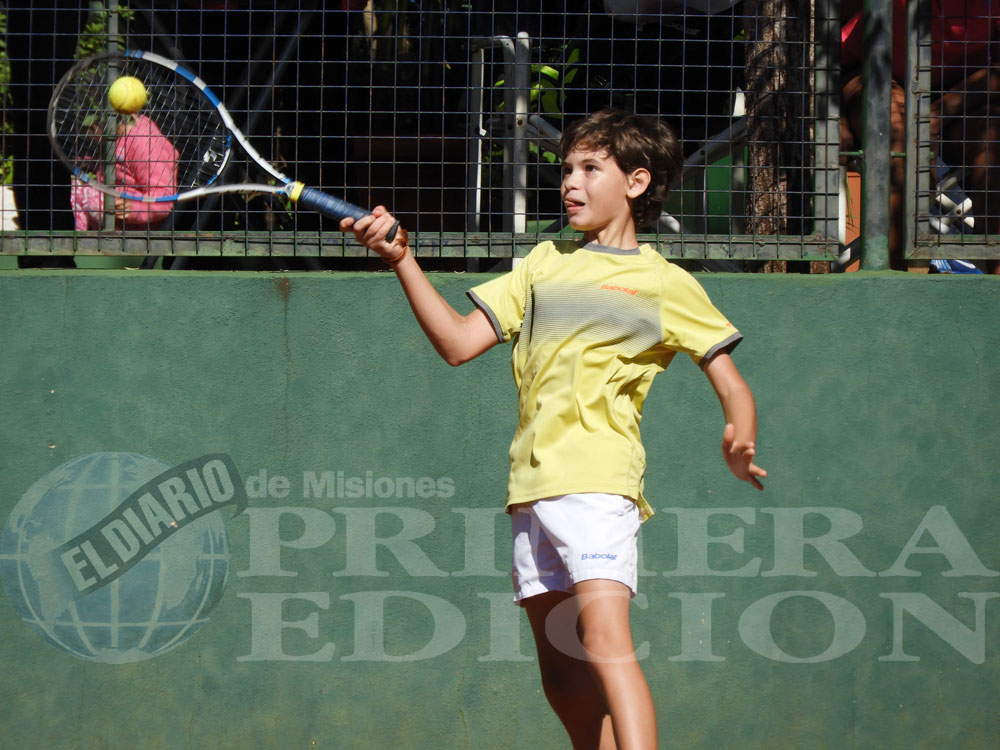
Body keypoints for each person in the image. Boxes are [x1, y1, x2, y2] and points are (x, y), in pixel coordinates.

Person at [342, 109, 766, 749]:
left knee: (605, 642)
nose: (570, 181)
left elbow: (729, 379)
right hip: (531, 488)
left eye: (591, 168)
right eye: (567, 168)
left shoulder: (662, 283)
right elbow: (458, 343)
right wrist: (402, 259)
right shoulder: (542, 264)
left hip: (598, 483)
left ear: (637, 182)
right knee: (561, 671)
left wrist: (740, 432)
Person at [840, 0, 1000, 272]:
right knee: (900, 144)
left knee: (993, 147)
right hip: (876, 73)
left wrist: (933, 117)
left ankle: (993, 282)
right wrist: (835, 115)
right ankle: (893, 281)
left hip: (961, 84)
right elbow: (826, 31)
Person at [70, 113, 178, 231]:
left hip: (134, 220)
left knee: (78, 191)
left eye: (88, 131)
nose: (88, 136)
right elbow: (120, 169)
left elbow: (165, 199)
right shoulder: (117, 137)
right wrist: (90, 163)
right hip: (113, 199)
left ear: (97, 124)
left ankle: (79, 238)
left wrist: (133, 208)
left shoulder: (144, 142)